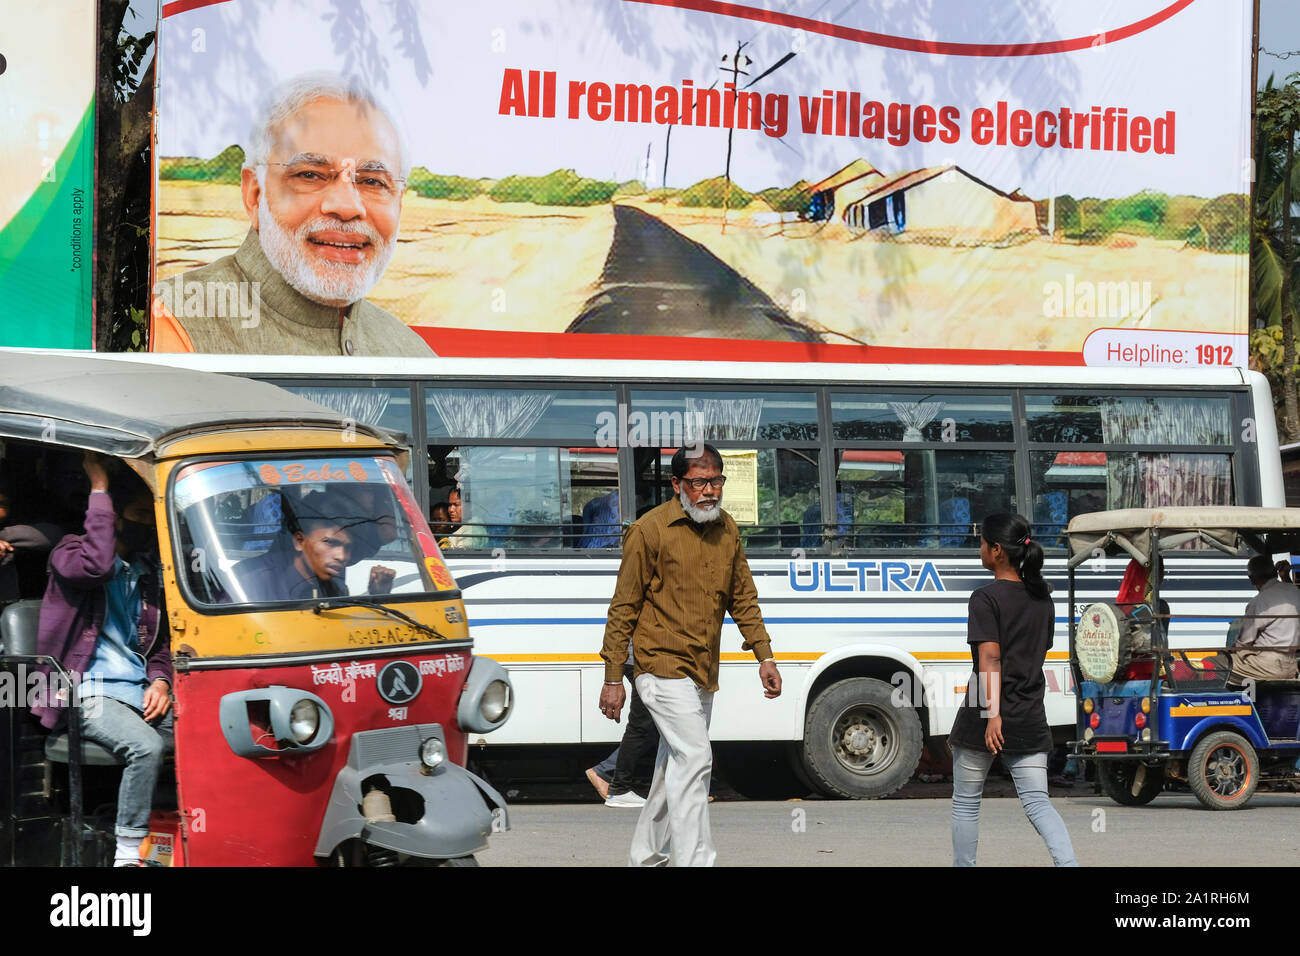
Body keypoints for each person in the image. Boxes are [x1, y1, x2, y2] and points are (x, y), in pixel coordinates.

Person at [150, 71, 433, 357]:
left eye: (372, 181)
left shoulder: (413, 356)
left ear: (399, 204)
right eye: (310, 175)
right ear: (254, 195)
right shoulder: (166, 328)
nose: (347, 207)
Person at [599, 443, 781, 866]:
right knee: (697, 757)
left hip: (702, 668)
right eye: (699, 482)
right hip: (659, 665)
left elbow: (744, 598)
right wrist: (612, 678)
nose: (709, 491)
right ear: (677, 484)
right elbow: (623, 606)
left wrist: (764, 656)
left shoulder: (727, 529)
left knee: (672, 769)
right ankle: (695, 861)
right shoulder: (650, 530)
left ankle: (645, 858)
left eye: (716, 480)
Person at [31, 453, 173, 867]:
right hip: (83, 690)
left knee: (211, 732)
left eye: (152, 516)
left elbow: (157, 646)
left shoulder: (145, 575)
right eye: (137, 514)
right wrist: (99, 485)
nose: (146, 524)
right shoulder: (69, 553)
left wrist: (161, 681)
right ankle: (128, 854)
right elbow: (95, 564)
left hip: (135, 691)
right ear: (112, 515)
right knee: (144, 747)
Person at [948, 513, 1076, 867]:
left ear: (996, 551)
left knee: (966, 801)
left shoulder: (985, 598)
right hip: (1029, 711)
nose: (980, 550)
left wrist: (992, 716)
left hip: (985, 713)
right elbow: (1036, 653)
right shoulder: (1042, 599)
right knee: (1038, 803)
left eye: (982, 544)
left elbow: (990, 659)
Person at [234, 488, 395, 602]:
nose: (342, 556)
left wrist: (377, 596)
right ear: (299, 541)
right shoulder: (248, 581)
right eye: (330, 543)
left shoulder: (336, 587)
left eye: (348, 547)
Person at [1227, 554, 1300, 685]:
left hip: (1268, 666)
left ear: (1252, 579)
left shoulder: (1258, 602)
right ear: (1274, 573)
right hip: (1292, 664)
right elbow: (1290, 596)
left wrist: (1232, 649)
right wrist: (1285, 577)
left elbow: (1245, 641)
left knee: (1216, 663)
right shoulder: (1294, 590)